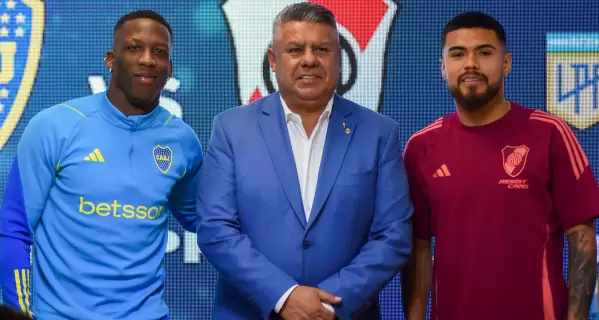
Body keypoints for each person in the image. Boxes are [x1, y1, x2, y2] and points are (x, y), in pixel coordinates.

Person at [196, 3, 413, 320]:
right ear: (273, 60)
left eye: (321, 49)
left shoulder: (378, 133)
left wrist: (327, 305)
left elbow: (393, 236)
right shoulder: (231, 128)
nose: (309, 59)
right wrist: (284, 296)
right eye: (295, 49)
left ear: (338, 57)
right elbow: (216, 229)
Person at [0, 10, 202, 320]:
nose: (148, 59)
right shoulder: (54, 127)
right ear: (110, 59)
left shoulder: (184, 142)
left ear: (169, 67)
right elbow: (14, 229)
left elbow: (206, 221)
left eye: (159, 52)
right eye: (135, 47)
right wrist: (23, 313)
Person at [401, 11, 599, 320]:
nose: (470, 64)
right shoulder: (420, 148)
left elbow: (582, 237)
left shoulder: (550, 134)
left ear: (506, 63)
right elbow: (419, 247)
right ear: (443, 67)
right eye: (458, 54)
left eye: (484, 52)